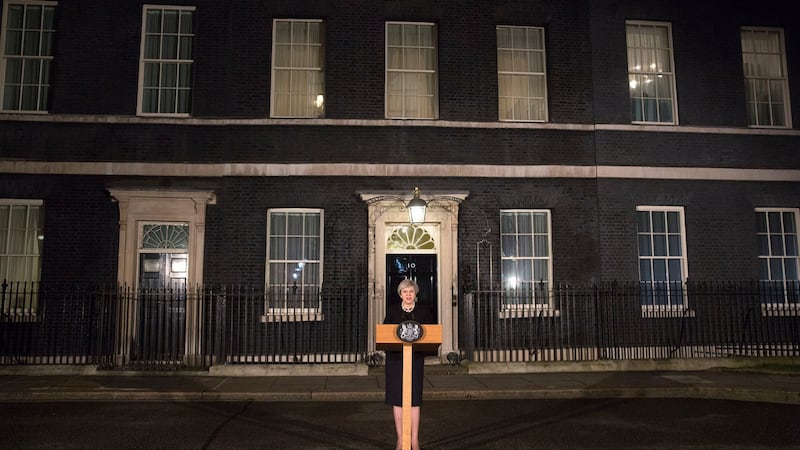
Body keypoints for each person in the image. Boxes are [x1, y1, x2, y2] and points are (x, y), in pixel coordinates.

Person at [383, 278, 435, 450]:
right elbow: (385, 335)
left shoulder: (424, 311)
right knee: (397, 399)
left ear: (415, 294)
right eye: (405, 292)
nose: (408, 295)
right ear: (400, 294)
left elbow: (431, 334)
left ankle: (414, 440)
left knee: (414, 400)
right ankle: (400, 439)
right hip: (396, 361)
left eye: (411, 292)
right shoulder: (392, 312)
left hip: (415, 360)